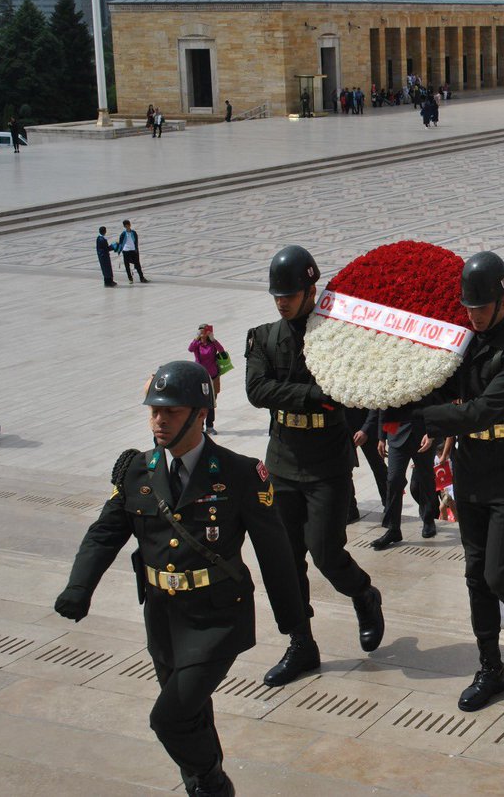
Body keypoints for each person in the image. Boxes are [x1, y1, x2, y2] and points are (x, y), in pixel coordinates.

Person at [54, 361, 306, 797]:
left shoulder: (239, 473)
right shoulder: (136, 470)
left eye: (171, 411)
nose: (159, 420)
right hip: (163, 619)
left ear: (200, 414)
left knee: (168, 718)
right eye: (154, 410)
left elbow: (275, 551)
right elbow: (105, 533)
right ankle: (201, 784)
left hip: (217, 619)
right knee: (192, 714)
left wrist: (293, 621)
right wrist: (79, 587)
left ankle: (212, 783)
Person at [388, 251, 504, 711]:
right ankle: (489, 669)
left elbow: (483, 410)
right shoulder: (466, 341)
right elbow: (442, 385)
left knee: (500, 573)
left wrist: (422, 417)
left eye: (481, 307)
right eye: (469, 307)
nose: (474, 315)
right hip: (473, 467)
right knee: (476, 576)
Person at [245, 245, 384, 688]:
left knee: (325, 551)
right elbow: (257, 390)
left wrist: (316, 394)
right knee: (286, 560)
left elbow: (348, 387)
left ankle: (363, 593)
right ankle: (301, 643)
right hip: (283, 460)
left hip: (326, 462)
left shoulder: (337, 336)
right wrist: (309, 395)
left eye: (289, 295)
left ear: (311, 291)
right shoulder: (263, 337)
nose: (281, 303)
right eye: (277, 296)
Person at [372, 418, 439, 548]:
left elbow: (436, 406)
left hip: (424, 433)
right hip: (397, 433)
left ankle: (428, 519)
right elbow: (384, 408)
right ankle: (393, 529)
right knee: (393, 480)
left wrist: (432, 431)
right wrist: (381, 437)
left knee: (425, 477)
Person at [188, 324, 226, 435]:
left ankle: (210, 426)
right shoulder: (197, 344)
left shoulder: (212, 344)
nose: (203, 334)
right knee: (201, 403)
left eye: (205, 331)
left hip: (213, 377)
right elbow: (190, 349)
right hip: (200, 377)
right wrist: (196, 338)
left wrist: (214, 339)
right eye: (201, 331)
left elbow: (222, 351)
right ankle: (200, 427)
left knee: (211, 403)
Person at [116, 219, 149, 283]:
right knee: (127, 265)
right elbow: (121, 243)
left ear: (130, 225)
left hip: (133, 250)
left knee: (137, 264)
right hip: (126, 251)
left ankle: (142, 278)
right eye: (126, 226)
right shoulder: (123, 234)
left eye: (128, 225)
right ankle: (130, 278)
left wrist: (136, 249)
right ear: (124, 226)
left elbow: (136, 242)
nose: (127, 227)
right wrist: (119, 250)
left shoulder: (134, 233)